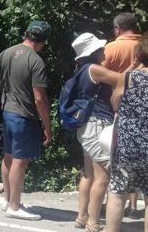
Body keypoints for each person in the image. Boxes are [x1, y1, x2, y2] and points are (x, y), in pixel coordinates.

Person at [0, 20, 52, 221]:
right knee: (20, 160)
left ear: (26, 34)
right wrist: (47, 126)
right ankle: (15, 207)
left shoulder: (6, 53)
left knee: (8, 156)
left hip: (7, 112)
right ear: (43, 41)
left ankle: (8, 200)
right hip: (24, 116)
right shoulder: (36, 61)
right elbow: (39, 98)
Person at [70, 33, 120, 232]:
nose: (104, 51)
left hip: (86, 125)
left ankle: (82, 217)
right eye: (101, 49)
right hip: (96, 126)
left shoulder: (82, 69)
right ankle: (92, 221)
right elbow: (124, 79)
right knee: (103, 176)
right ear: (94, 52)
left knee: (88, 174)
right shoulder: (95, 69)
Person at [102, 12, 143, 218]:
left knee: (118, 161)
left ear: (117, 29)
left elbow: (98, 75)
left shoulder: (111, 48)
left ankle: (113, 204)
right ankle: (134, 206)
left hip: (118, 110)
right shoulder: (143, 45)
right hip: (143, 114)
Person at [106, 34, 148, 232]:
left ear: (138, 56)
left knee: (117, 192)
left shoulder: (129, 77)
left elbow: (115, 102)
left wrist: (131, 68)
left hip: (128, 146)